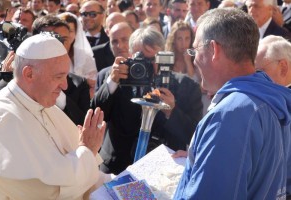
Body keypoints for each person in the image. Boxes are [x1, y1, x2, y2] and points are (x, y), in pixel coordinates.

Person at [174, 8, 291, 199]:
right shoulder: (268, 101)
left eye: (195, 50)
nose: (193, 60)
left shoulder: (231, 115)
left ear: (214, 49)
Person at [0, 33, 110, 199]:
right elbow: (49, 192)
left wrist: (118, 182)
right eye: (58, 77)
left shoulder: (44, 105)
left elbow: (87, 179)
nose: (65, 85)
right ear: (29, 74)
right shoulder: (1, 118)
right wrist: (87, 151)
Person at [91, 26, 203, 175]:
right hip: (116, 168)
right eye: (140, 58)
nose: (146, 65)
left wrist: (172, 112)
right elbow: (95, 115)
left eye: (152, 59)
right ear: (130, 55)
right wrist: (112, 82)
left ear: (163, 56)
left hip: (162, 171)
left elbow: (195, 135)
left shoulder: (187, 87)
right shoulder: (112, 77)